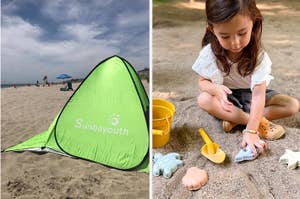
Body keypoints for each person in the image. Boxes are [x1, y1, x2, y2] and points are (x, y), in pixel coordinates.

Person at [192, 0, 299, 156]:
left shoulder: (259, 56)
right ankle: (253, 120)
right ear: (212, 30)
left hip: (253, 97)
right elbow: (202, 83)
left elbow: (258, 95)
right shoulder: (209, 54)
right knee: (203, 99)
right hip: (228, 100)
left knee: (292, 105)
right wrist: (215, 89)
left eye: (242, 33)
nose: (235, 43)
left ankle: (236, 120)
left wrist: (250, 130)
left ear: (253, 23)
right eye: (225, 36)